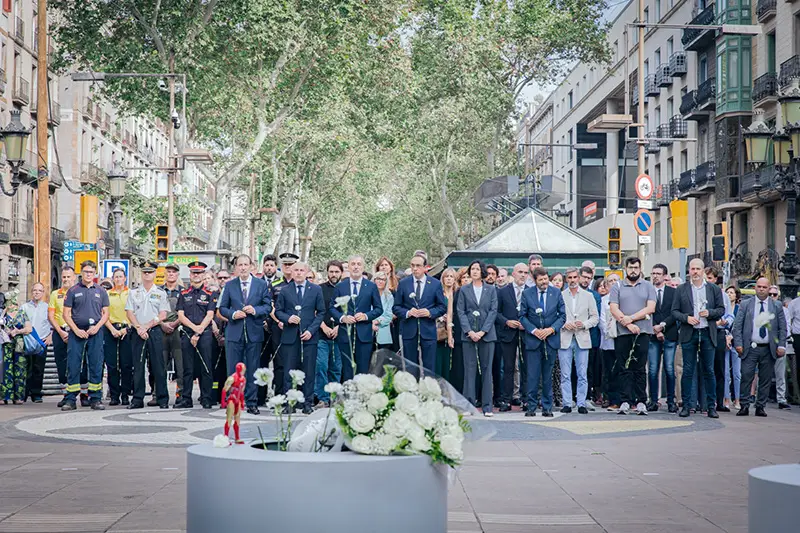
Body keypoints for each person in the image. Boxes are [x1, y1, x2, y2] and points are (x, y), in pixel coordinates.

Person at [218, 254, 272, 415]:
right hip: (234, 333)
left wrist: (255, 310)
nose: (242, 267)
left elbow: (267, 306)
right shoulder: (230, 285)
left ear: (251, 266)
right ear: (236, 268)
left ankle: (252, 402)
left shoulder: (261, 284)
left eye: (245, 264)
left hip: (254, 333)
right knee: (233, 370)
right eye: (239, 265)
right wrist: (233, 314)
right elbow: (222, 308)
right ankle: (234, 401)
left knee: (252, 368)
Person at [671, 258, 725, 418]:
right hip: (690, 333)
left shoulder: (714, 289)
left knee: (709, 370)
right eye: (692, 269)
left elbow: (721, 309)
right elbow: (674, 311)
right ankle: (687, 406)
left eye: (697, 269)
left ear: (703, 271)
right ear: (689, 271)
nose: (695, 272)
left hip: (707, 332)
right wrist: (686, 318)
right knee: (688, 370)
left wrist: (710, 313)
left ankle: (711, 406)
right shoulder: (681, 289)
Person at [275, 261, 325, 414]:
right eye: (295, 270)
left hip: (309, 336)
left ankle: (307, 403)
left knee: (309, 371)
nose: (298, 273)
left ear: (306, 272)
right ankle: (290, 403)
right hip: (290, 336)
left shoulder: (316, 289)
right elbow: (278, 311)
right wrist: (288, 318)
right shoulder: (285, 290)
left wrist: (311, 330)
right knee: (289, 371)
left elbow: (321, 312)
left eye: (301, 270)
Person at [609, 256, 656, 416]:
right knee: (623, 367)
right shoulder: (617, 286)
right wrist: (627, 324)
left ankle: (641, 401)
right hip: (623, 332)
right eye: (630, 267)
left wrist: (632, 318)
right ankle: (625, 401)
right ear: (625, 269)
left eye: (636, 267)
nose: (633, 270)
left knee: (640, 368)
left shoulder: (648, 286)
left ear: (640, 268)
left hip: (642, 332)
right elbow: (614, 308)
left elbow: (650, 308)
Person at [733, 277, 786, 417]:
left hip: (768, 348)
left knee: (765, 378)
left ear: (769, 289)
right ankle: (744, 405)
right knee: (746, 376)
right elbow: (737, 326)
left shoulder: (777, 306)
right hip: (749, 347)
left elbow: (782, 328)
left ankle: (760, 406)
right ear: (755, 287)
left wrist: (781, 346)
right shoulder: (745, 304)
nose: (761, 289)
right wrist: (738, 344)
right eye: (759, 286)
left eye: (764, 287)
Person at [62, 260, 110, 411]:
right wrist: (75, 330)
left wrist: (97, 327)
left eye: (91, 272)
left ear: (95, 274)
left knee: (96, 364)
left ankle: (95, 398)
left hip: (95, 332)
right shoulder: (73, 291)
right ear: (81, 273)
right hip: (77, 332)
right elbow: (66, 314)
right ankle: (70, 399)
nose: (88, 274)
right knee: (74, 365)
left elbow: (106, 313)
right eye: (86, 272)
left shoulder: (101, 291)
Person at [520, 267, 565, 417]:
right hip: (533, 341)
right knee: (532, 375)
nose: (544, 282)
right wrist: (534, 331)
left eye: (546, 279)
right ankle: (531, 406)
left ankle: (547, 407)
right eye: (541, 280)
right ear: (535, 280)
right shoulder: (527, 294)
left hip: (551, 340)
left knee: (547, 376)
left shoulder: (556, 293)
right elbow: (522, 316)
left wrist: (551, 329)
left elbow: (562, 316)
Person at [125, 261, 170, 410]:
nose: (147, 274)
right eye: (144, 272)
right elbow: (129, 312)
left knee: (158, 366)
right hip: (138, 332)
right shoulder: (134, 292)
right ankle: (137, 399)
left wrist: (147, 326)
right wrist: (139, 327)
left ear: (155, 274)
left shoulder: (160, 293)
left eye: (150, 272)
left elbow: (163, 314)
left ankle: (162, 398)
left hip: (154, 331)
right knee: (138, 367)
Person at [330, 255, 382, 379]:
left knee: (363, 369)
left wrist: (366, 316)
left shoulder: (371, 286)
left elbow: (379, 309)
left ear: (363, 267)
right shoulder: (340, 286)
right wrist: (343, 318)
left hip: (364, 334)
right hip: (345, 335)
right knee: (347, 368)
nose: (356, 267)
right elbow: (332, 308)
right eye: (353, 264)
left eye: (359, 264)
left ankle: (361, 396)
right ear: (348, 267)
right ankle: (348, 396)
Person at [457, 260, 498, 417]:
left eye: (476, 269)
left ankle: (488, 407)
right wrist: (469, 331)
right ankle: (469, 405)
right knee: (469, 370)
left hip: (487, 336)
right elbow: (460, 311)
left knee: (487, 370)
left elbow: (493, 311)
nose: (474, 271)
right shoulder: (464, 290)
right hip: (468, 336)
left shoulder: (491, 289)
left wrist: (482, 331)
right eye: (471, 269)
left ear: (482, 272)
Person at [393, 254, 446, 374]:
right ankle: (412, 391)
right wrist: (407, 312)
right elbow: (396, 307)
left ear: (425, 267)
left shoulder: (435, 284)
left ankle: (428, 391)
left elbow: (442, 307)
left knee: (429, 367)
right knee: (410, 367)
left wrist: (430, 312)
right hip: (409, 330)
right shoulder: (403, 283)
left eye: (418, 266)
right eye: (412, 265)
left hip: (428, 331)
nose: (415, 268)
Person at [176, 261, 219, 409]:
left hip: (205, 334)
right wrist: (194, 329)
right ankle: (186, 398)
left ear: (203, 275)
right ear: (190, 275)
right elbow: (180, 315)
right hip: (188, 334)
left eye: (199, 273)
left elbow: (210, 315)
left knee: (206, 367)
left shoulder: (210, 294)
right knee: (187, 368)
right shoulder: (183, 294)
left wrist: (199, 330)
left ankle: (206, 398)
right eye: (194, 272)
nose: (196, 275)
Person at [558, 268, 599, 414]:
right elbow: (555, 316)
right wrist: (564, 324)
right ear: (566, 279)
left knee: (582, 372)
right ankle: (567, 403)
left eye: (575, 277)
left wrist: (585, 324)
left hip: (582, 336)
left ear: (579, 278)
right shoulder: (560, 295)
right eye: (570, 277)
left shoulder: (588, 296)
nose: (573, 280)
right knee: (565, 373)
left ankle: (581, 403)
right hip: (565, 337)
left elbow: (595, 317)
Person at [49, 266, 89, 407]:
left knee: (81, 364)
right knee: (62, 364)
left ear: (74, 277)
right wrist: (61, 332)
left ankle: (84, 394)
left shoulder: (80, 292)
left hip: (77, 332)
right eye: (64, 277)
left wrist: (74, 331)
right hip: (60, 332)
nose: (66, 279)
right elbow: (51, 316)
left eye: (68, 277)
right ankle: (67, 394)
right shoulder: (55, 294)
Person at [496, 263, 528, 411]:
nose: (523, 275)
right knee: (508, 367)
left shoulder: (531, 291)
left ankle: (527, 399)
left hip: (526, 334)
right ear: (513, 274)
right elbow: (495, 312)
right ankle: (506, 400)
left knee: (527, 367)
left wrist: (526, 324)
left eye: (525, 272)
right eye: (520, 272)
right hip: (508, 334)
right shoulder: (503, 291)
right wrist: (507, 322)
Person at [647, 263, 678, 412]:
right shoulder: (648, 291)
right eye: (653, 273)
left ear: (665, 276)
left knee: (669, 368)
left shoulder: (673, 292)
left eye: (658, 273)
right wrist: (655, 328)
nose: (655, 276)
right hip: (652, 335)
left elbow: (675, 312)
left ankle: (671, 401)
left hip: (669, 334)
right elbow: (646, 311)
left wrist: (663, 326)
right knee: (652, 369)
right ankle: (653, 400)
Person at [707, 267, 734, 413]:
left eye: (710, 278)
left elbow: (730, 315)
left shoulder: (722, 295)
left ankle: (719, 402)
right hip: (705, 332)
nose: (708, 281)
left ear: (715, 280)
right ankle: (704, 402)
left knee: (720, 369)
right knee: (706, 368)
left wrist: (723, 322)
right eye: (706, 278)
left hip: (719, 333)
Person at [315, 260, 343, 406]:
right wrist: (324, 326)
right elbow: (315, 310)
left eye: (336, 272)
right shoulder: (319, 289)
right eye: (331, 271)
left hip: (340, 333)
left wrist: (339, 326)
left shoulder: (345, 288)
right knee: (321, 366)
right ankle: (322, 398)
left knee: (336, 367)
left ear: (341, 273)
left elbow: (348, 310)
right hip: (322, 333)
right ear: (327, 272)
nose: (333, 274)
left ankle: (334, 397)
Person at [104, 269, 132, 406]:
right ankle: (114, 395)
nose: (119, 279)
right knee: (112, 365)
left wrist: (126, 329)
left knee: (126, 365)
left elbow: (135, 313)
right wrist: (112, 329)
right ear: (113, 279)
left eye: (121, 276)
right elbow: (103, 314)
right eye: (116, 277)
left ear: (125, 278)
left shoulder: (131, 293)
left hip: (127, 330)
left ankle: (126, 394)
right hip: (111, 330)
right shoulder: (108, 294)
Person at [157, 263, 184, 406]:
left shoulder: (183, 292)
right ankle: (159, 395)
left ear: (177, 274)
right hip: (160, 330)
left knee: (180, 366)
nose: (171, 274)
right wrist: (162, 324)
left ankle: (180, 394)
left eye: (174, 272)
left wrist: (175, 324)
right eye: (169, 272)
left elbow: (185, 312)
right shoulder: (158, 291)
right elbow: (153, 311)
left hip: (178, 331)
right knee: (159, 364)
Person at [22, 283, 52, 403]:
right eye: (35, 290)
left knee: (39, 369)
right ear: (31, 292)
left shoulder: (47, 307)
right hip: (27, 341)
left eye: (39, 290)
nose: (37, 292)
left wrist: (50, 336)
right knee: (26, 368)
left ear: (43, 293)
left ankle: (36, 393)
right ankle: (24, 393)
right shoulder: (24, 307)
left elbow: (52, 324)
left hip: (41, 342)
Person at [579, 266, 602, 406]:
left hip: (590, 336)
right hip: (571, 336)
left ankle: (587, 397)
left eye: (589, 278)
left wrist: (582, 323)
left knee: (588, 369)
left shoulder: (595, 295)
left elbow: (595, 315)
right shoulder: (569, 293)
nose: (586, 280)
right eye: (584, 277)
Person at [2, 299, 31, 404]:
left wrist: (18, 331)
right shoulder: (3, 314)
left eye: (13, 303)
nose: (11, 305)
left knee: (20, 369)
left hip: (19, 344)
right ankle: (3, 396)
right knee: (5, 369)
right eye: (9, 303)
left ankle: (18, 396)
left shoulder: (22, 313)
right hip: (5, 344)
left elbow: (29, 329)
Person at [767, 285, 791, 410]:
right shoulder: (763, 307)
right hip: (764, 345)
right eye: (769, 294)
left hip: (779, 345)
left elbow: (786, 329)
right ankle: (761, 398)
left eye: (774, 294)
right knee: (763, 373)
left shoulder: (784, 310)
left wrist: (780, 344)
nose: (772, 296)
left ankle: (781, 399)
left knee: (780, 374)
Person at [597, 279, 619, 409]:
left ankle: (620, 398)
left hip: (622, 339)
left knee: (620, 371)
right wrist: (610, 332)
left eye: (616, 280)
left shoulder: (623, 297)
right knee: (608, 371)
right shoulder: (604, 300)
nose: (614, 283)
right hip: (608, 340)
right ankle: (609, 398)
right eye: (611, 281)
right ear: (606, 285)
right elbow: (601, 320)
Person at [435, 268, 456, 382]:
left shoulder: (457, 294)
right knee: (439, 363)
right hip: (440, 333)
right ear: (442, 279)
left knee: (451, 364)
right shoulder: (438, 294)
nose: (449, 279)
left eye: (451, 276)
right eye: (446, 276)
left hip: (454, 331)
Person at [449, 268, 468, 393]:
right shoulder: (456, 293)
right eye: (464, 277)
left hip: (474, 333)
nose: (466, 279)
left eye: (468, 277)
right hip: (459, 331)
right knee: (458, 364)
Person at [724, 286, 742, 410]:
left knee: (737, 373)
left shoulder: (739, 309)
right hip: (724, 342)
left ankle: (737, 399)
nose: (729, 294)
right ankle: (726, 398)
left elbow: (740, 326)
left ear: (736, 296)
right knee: (725, 372)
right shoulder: (723, 308)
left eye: (732, 292)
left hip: (736, 343)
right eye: (728, 292)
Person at [373, 271, 395, 350]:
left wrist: (376, 321)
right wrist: (371, 323)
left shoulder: (389, 296)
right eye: (378, 279)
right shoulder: (367, 294)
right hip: (368, 332)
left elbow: (389, 315)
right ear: (374, 280)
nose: (380, 281)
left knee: (382, 361)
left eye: (383, 279)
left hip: (383, 333)